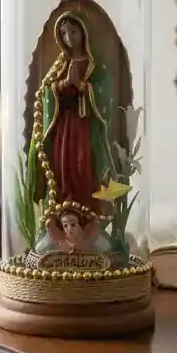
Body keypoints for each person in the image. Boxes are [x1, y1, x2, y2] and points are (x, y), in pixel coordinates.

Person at [40, 12, 113, 211]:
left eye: (73, 32)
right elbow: (45, 92)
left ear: (83, 32)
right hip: (63, 125)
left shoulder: (95, 66)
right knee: (63, 165)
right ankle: (63, 208)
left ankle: (87, 208)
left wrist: (82, 85)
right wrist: (63, 84)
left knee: (82, 164)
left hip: (84, 126)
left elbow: (104, 94)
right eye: (64, 33)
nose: (69, 38)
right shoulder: (61, 64)